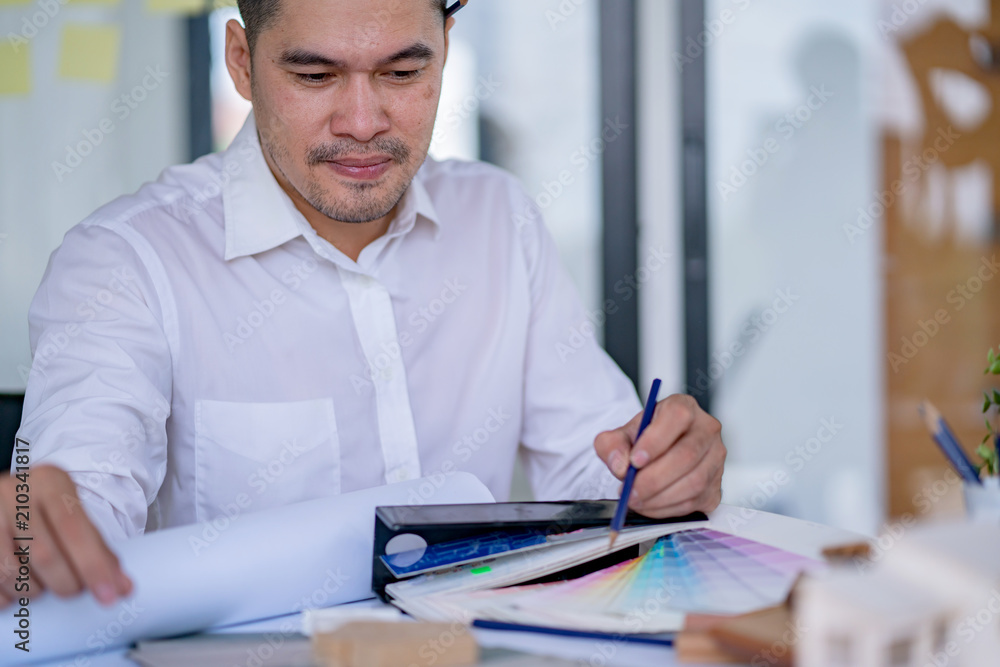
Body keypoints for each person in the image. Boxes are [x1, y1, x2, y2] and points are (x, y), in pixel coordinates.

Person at [0, 0, 725, 609]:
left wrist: (665, 472)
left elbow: (602, 479)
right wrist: (32, 535)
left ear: (445, 49)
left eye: (403, 72)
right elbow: (75, 513)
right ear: (241, 61)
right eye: (315, 75)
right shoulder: (125, 261)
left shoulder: (500, 219)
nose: (362, 121)